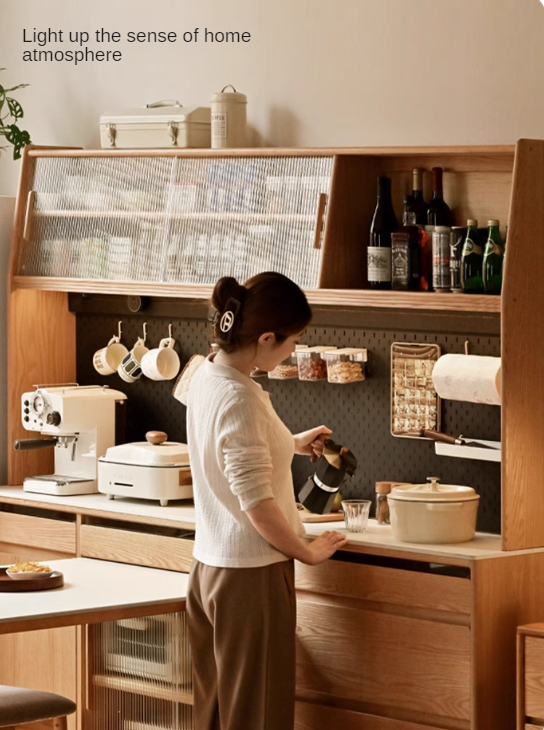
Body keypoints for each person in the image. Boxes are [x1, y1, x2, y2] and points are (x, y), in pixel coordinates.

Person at [186, 272, 348, 730]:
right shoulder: (240, 398)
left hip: (208, 572)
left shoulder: (207, 375)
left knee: (218, 714)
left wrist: (288, 443)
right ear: (265, 338)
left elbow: (226, 447)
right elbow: (257, 504)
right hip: (251, 579)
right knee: (258, 715)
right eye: (293, 341)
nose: (293, 350)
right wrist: (308, 551)